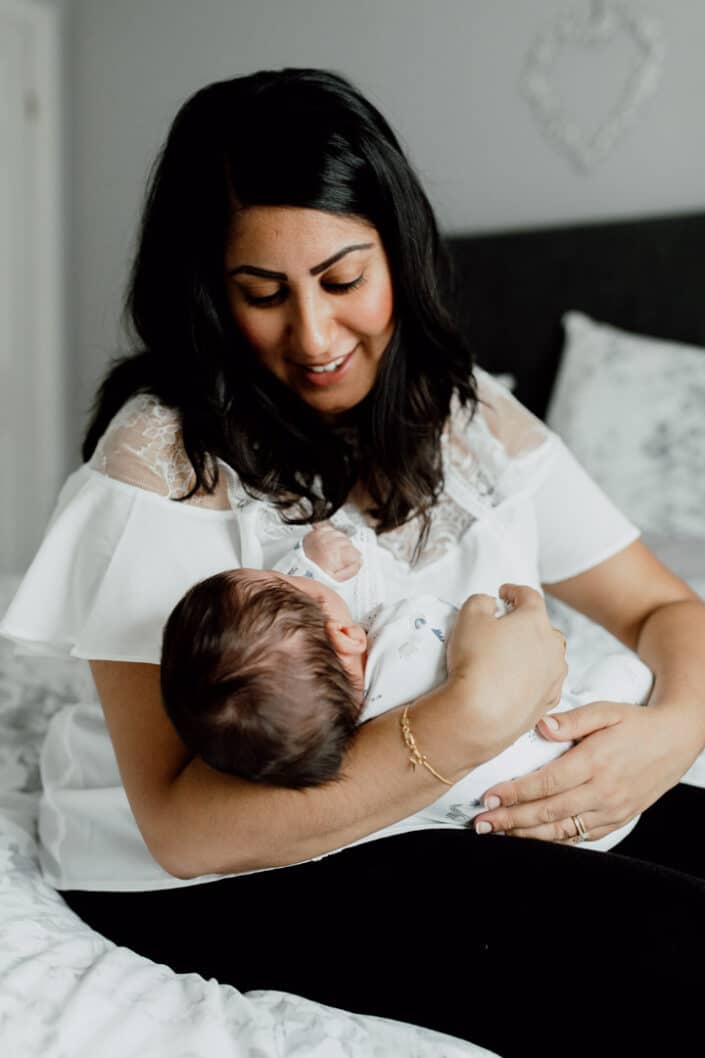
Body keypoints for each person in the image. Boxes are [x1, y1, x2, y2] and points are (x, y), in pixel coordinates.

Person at [2, 67, 705, 1057]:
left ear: (398, 256)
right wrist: (468, 720)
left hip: (439, 804)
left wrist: (670, 729)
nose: (315, 336)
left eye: (343, 280)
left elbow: (667, 609)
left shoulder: (466, 418)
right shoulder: (160, 459)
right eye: (263, 293)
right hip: (231, 870)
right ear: (211, 290)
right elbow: (181, 824)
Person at [160, 522, 653, 855]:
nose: (293, 573)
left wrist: (312, 574)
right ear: (348, 634)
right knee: (620, 676)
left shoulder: (337, 743)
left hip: (547, 836)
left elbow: (292, 627)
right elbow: (486, 629)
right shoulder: (407, 636)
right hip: (594, 773)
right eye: (293, 578)